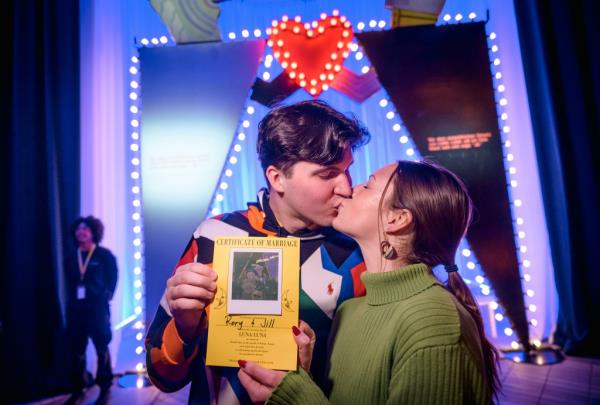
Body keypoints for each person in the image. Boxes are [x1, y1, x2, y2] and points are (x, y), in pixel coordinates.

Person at [145, 100, 371, 403]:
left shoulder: (353, 252)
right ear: (277, 178)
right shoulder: (214, 234)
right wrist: (184, 327)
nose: (346, 187)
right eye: (328, 173)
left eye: (347, 170)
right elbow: (162, 377)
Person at [238, 160, 501, 404]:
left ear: (397, 219)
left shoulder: (433, 320)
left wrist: (296, 395)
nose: (348, 189)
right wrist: (300, 376)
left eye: (368, 184)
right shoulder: (349, 311)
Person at [64, 216, 118, 404]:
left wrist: (107, 295)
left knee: (101, 346)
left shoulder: (104, 255)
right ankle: (78, 388)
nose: (81, 232)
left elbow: (113, 276)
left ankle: (105, 386)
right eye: (78, 229)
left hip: (97, 309)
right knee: (77, 348)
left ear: (93, 232)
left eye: (85, 229)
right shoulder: (72, 256)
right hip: (77, 310)